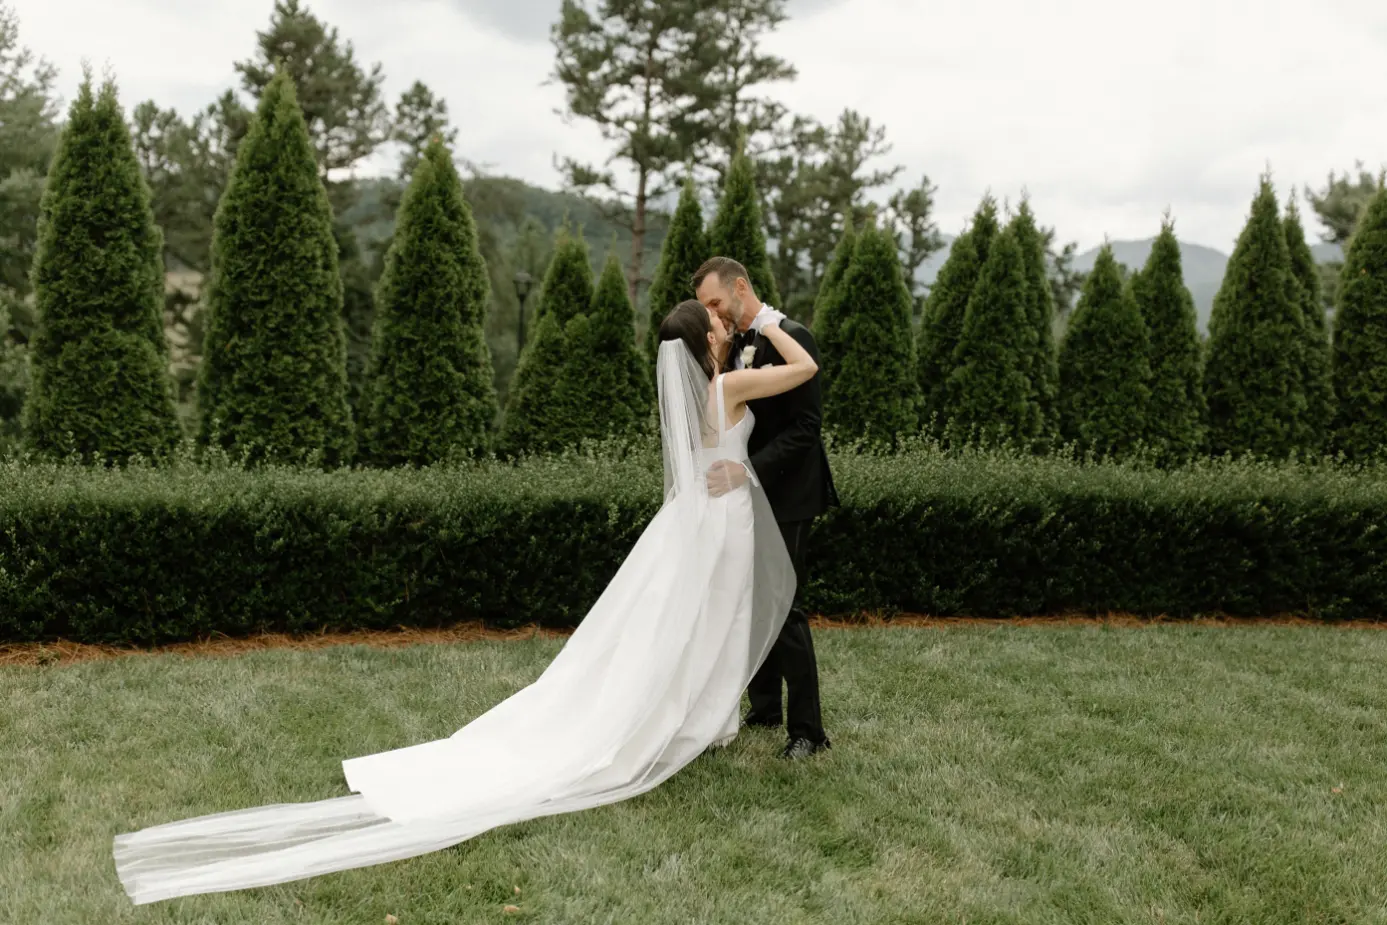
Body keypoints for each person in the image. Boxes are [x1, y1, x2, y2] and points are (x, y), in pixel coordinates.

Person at [111, 300, 819, 905]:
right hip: (715, 520)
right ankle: (691, 717)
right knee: (705, 621)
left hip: (696, 518)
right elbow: (806, 368)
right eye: (721, 321)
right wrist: (771, 319)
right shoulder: (726, 385)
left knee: (682, 623)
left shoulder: (695, 385)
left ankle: (699, 713)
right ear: (707, 339)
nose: (729, 324)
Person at [694, 257, 837, 760]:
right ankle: (764, 706)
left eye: (715, 302)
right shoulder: (733, 349)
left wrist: (747, 469)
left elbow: (807, 427)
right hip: (745, 494)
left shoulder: (791, 336)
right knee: (751, 600)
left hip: (790, 493)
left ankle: (808, 731)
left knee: (786, 607)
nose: (712, 312)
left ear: (739, 288)